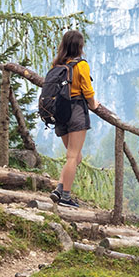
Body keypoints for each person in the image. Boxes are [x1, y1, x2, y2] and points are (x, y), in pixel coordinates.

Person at [49, 30, 99, 207]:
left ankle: (59, 189)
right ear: (80, 46)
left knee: (75, 157)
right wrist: (94, 104)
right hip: (76, 111)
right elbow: (87, 91)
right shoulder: (81, 65)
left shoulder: (57, 65)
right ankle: (66, 197)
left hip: (59, 113)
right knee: (72, 156)